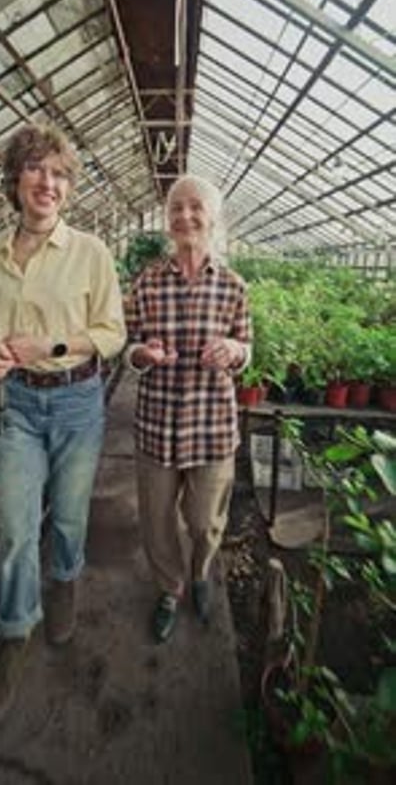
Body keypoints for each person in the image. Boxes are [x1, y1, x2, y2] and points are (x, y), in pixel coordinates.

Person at [0, 122, 126, 724]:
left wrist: (53, 347)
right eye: (36, 169)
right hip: (18, 406)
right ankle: (14, 633)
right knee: (12, 527)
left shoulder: (91, 253)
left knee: (69, 516)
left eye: (59, 173)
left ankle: (66, 580)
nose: (48, 182)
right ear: (16, 179)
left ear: (69, 186)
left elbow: (112, 333)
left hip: (78, 399)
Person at [126, 174, 252, 643]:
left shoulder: (234, 287)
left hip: (212, 426)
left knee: (204, 521)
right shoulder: (148, 283)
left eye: (195, 207)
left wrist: (234, 351)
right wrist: (144, 354)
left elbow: (248, 347)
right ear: (167, 220)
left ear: (213, 217)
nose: (185, 216)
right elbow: (130, 346)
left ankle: (200, 571)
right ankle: (169, 588)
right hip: (158, 422)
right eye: (176, 208)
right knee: (156, 520)